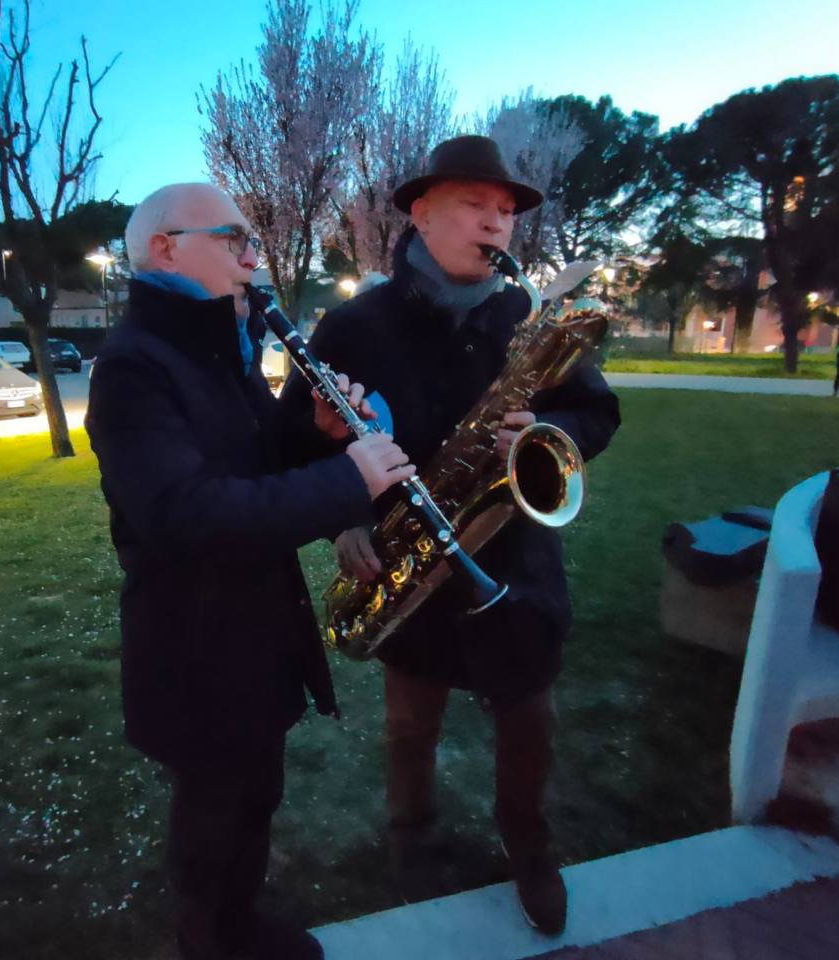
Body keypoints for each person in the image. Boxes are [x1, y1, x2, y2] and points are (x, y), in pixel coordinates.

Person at [281, 136, 621, 936]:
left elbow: (598, 414)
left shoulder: (531, 320)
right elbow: (304, 437)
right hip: (409, 556)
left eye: (506, 211)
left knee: (529, 718)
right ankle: (411, 832)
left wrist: (545, 425)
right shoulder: (354, 325)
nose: (498, 224)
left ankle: (529, 845)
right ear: (422, 211)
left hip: (518, 558)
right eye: (476, 204)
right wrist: (345, 522)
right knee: (409, 724)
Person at [84, 182, 415, 960]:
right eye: (235, 239)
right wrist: (351, 480)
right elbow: (187, 513)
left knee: (255, 794)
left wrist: (321, 431)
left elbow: (256, 465)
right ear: (166, 248)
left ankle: (240, 926)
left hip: (257, 629)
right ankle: (207, 939)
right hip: (194, 644)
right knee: (213, 811)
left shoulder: (218, 348)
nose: (252, 257)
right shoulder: (134, 367)